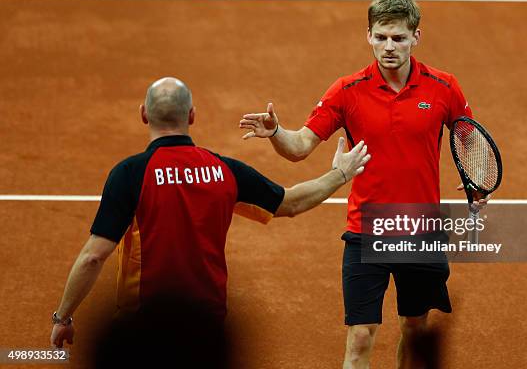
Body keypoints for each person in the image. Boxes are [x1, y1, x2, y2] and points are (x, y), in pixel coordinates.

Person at [239, 0, 490, 368]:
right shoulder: (347, 91)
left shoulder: (443, 86)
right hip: (365, 229)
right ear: (368, 35)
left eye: (399, 38)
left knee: (414, 327)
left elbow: (470, 140)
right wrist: (276, 132)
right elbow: (300, 147)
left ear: (415, 37)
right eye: (381, 37)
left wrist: (477, 183)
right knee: (359, 335)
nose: (389, 47)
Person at [49, 77, 371, 361]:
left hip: (144, 324)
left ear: (144, 114)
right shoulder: (224, 170)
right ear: (192, 116)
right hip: (207, 324)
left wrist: (63, 317)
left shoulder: (129, 174)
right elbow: (290, 202)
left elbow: (93, 256)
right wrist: (339, 173)